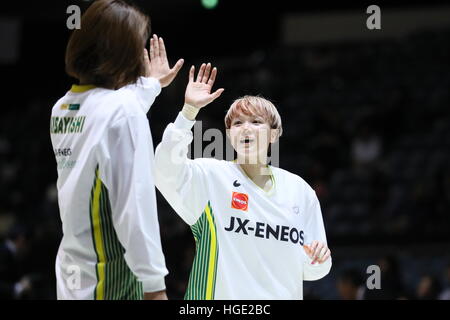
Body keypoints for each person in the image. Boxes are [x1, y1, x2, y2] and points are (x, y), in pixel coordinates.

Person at [154, 63, 332, 299]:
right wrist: (188, 112)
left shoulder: (300, 191)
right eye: (238, 124)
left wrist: (319, 259)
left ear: (273, 134)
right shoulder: (210, 177)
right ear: (229, 135)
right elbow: (163, 171)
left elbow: (312, 268)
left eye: (256, 122)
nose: (246, 128)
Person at [50, 0, 183, 300]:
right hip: (112, 279)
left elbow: (107, 115)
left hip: (73, 275)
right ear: (123, 53)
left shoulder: (62, 108)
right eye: (137, 45)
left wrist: (150, 86)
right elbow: (134, 207)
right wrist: (154, 286)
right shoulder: (122, 112)